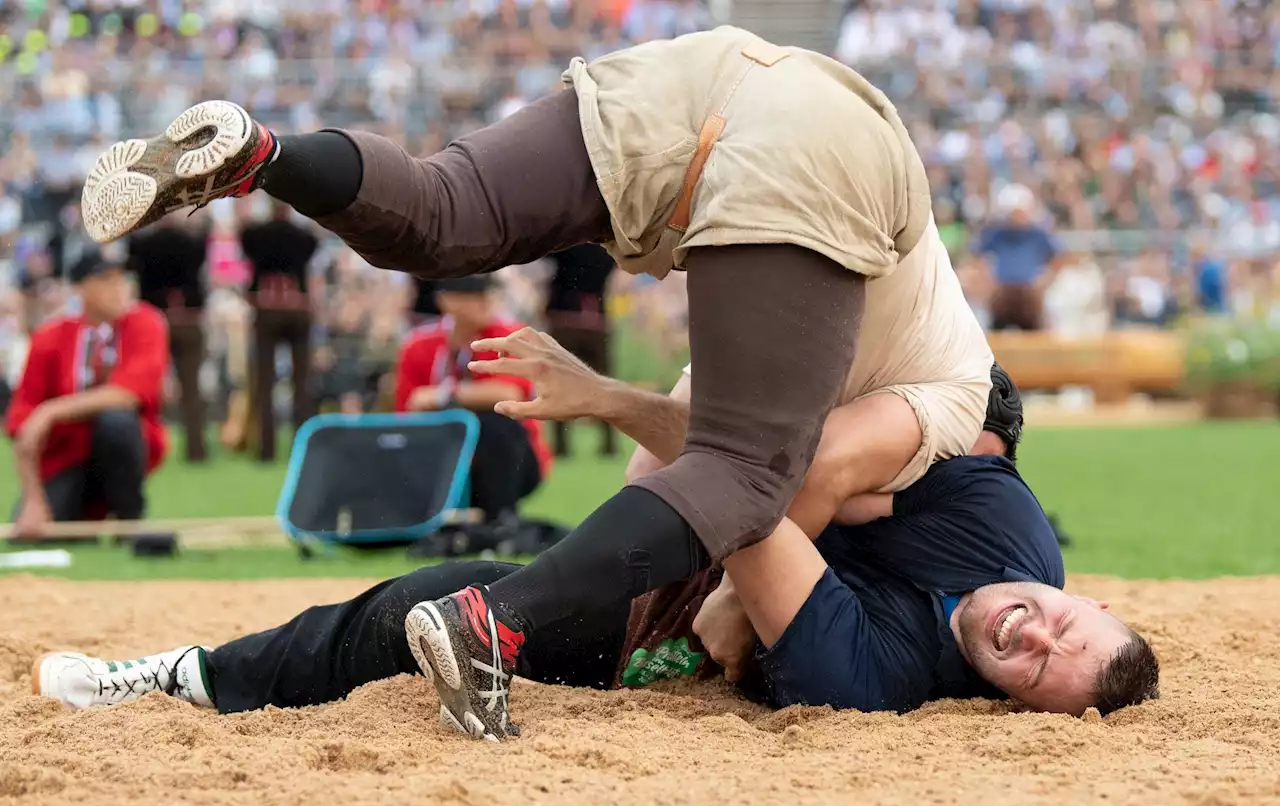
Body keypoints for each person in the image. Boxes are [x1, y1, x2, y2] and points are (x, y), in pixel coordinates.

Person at [80, 27, 991, 739]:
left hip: (698, 76)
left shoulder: (788, 345)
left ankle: (264, 153)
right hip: (829, 136)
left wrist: (606, 405)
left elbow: (670, 475)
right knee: (751, 474)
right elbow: (785, 481)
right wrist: (718, 597)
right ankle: (493, 621)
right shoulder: (961, 393)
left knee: (439, 214)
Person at [31, 381, 1158, 722]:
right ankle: (197, 671)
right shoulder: (1006, 531)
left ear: (1015, 702)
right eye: (1063, 618)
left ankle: (186, 677)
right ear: (1081, 593)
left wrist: (820, 500)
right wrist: (612, 400)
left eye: (1033, 665)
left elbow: (754, 497)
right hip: (688, 548)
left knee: (414, 608)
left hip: (644, 631)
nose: (1030, 629)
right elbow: (942, 403)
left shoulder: (880, 677)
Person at [5, 244, 170, 540]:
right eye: (105, 280)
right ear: (80, 289)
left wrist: (51, 410)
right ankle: (80, 517)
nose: (119, 288)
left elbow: (130, 393)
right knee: (32, 533)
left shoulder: (146, 322)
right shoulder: (50, 338)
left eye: (121, 278)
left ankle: (130, 520)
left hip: (123, 451)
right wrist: (33, 498)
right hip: (68, 457)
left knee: (116, 420)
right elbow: (21, 425)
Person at [395, 275, 551, 524]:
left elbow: (509, 394)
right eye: (474, 294)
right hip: (440, 456)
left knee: (498, 425)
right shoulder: (419, 345)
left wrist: (444, 395)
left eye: (488, 293)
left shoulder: (509, 337)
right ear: (445, 300)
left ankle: (498, 520)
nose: (486, 301)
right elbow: (408, 409)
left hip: (513, 460)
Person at [238, 200, 320, 462]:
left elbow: (244, 237)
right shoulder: (303, 237)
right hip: (298, 308)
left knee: (264, 380)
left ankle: (266, 448)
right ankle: (304, 445)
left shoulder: (257, 235)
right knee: (302, 381)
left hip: (266, 308)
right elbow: (312, 246)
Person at [126, 211, 209, 461]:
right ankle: (196, 450)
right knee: (191, 388)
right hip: (188, 319)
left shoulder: (143, 244)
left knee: (145, 387)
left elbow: (131, 258)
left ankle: (143, 446)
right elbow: (205, 241)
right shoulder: (193, 244)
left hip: (153, 322)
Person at [542, 243, 617, 458]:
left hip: (563, 317)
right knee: (604, 383)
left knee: (559, 382)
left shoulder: (564, 243)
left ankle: (562, 445)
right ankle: (609, 443)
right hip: (597, 319)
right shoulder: (606, 249)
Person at [974, 184, 1062, 332]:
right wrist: (987, 282)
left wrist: (1044, 282)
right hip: (1003, 293)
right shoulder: (996, 234)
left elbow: (1058, 258)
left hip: (1029, 294)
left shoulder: (1038, 235)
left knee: (1036, 334)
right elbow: (976, 257)